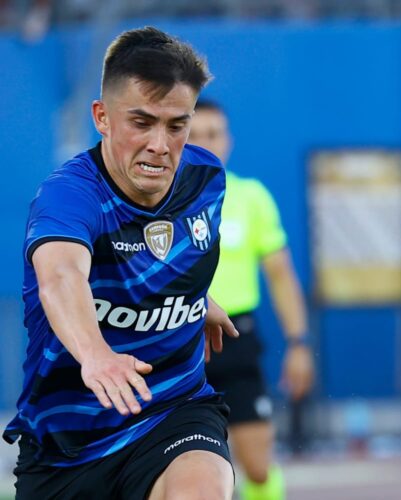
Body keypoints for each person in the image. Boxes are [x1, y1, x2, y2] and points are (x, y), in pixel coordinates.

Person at [3, 27, 240, 499]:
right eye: (142, 121)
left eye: (177, 125)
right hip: (66, 444)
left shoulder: (206, 178)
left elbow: (169, 252)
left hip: (173, 412)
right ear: (102, 117)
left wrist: (196, 299)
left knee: (203, 488)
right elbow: (61, 276)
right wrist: (95, 355)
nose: (159, 143)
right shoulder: (69, 195)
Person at [188, 100, 313, 500]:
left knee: (258, 469)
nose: (206, 143)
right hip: (179, 343)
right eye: (195, 135)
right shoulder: (164, 198)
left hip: (237, 342)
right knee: (191, 473)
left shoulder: (251, 197)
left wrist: (298, 344)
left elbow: (281, 276)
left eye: (214, 134)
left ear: (229, 140)